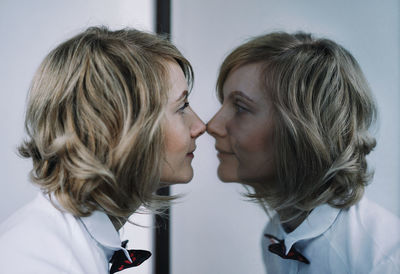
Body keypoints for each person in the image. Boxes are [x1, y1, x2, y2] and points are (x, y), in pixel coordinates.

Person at [0, 26, 205, 273]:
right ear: (117, 127)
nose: (200, 126)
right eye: (181, 107)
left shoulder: (62, 241)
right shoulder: (45, 262)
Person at [207, 31, 400, 273]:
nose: (212, 125)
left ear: (302, 132)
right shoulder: (275, 234)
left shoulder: (383, 261)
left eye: (240, 108)